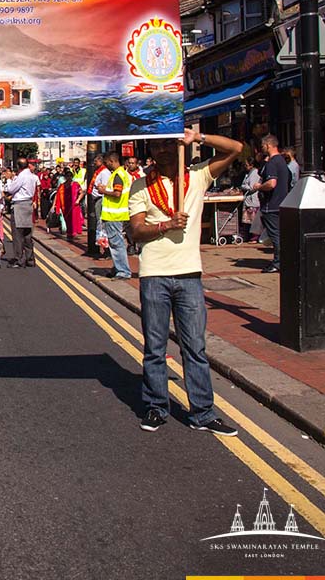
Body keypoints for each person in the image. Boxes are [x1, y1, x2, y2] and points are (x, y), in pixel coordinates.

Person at [129, 130, 242, 436]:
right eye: (158, 145)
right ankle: (156, 406)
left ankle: (203, 413)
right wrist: (165, 225)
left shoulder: (198, 176)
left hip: (190, 275)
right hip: (154, 275)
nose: (164, 150)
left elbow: (235, 148)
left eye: (169, 143)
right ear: (152, 149)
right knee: (155, 348)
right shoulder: (140, 186)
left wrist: (199, 136)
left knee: (194, 348)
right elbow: (136, 231)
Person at [252, 134, 291, 273]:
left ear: (268, 145)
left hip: (272, 204)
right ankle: (284, 260)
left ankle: (278, 263)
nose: (262, 149)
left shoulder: (273, 163)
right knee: (280, 234)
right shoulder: (282, 162)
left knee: (276, 235)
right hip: (282, 202)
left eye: (262, 146)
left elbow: (271, 183)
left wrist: (259, 187)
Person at [100, 152, 133, 280]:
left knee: (116, 243)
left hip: (114, 214)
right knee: (115, 243)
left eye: (107, 162)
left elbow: (117, 194)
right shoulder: (122, 174)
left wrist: (103, 191)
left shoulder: (118, 175)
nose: (106, 165)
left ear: (111, 161)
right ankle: (117, 267)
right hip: (119, 213)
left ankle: (123, 271)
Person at [4, 159, 38, 267]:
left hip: (19, 205)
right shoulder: (32, 176)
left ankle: (19, 259)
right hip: (28, 204)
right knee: (27, 234)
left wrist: (9, 180)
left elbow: (11, 189)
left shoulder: (22, 176)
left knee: (18, 234)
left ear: (18, 166)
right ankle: (30, 259)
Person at [239, 156, 263, 243]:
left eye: (246, 165)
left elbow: (252, 187)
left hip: (253, 200)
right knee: (247, 220)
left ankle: (255, 237)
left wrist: (243, 186)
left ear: (251, 165)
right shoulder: (248, 173)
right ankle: (248, 235)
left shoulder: (255, 173)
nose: (245, 166)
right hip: (248, 200)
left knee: (253, 220)